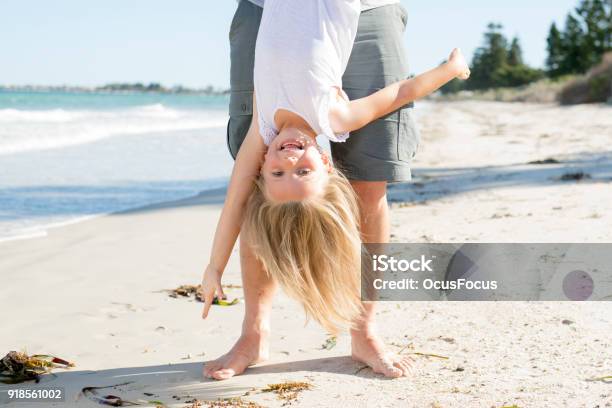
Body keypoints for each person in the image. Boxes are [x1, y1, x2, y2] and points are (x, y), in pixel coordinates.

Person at [201, 0, 470, 380]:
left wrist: (215, 266)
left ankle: (363, 331)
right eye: (302, 171)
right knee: (353, 182)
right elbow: (398, 94)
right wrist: (450, 69)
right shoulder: (333, 115)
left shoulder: (263, 129)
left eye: (276, 173)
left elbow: (237, 196)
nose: (289, 160)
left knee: (362, 182)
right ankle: (253, 333)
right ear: (325, 164)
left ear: (264, 166)